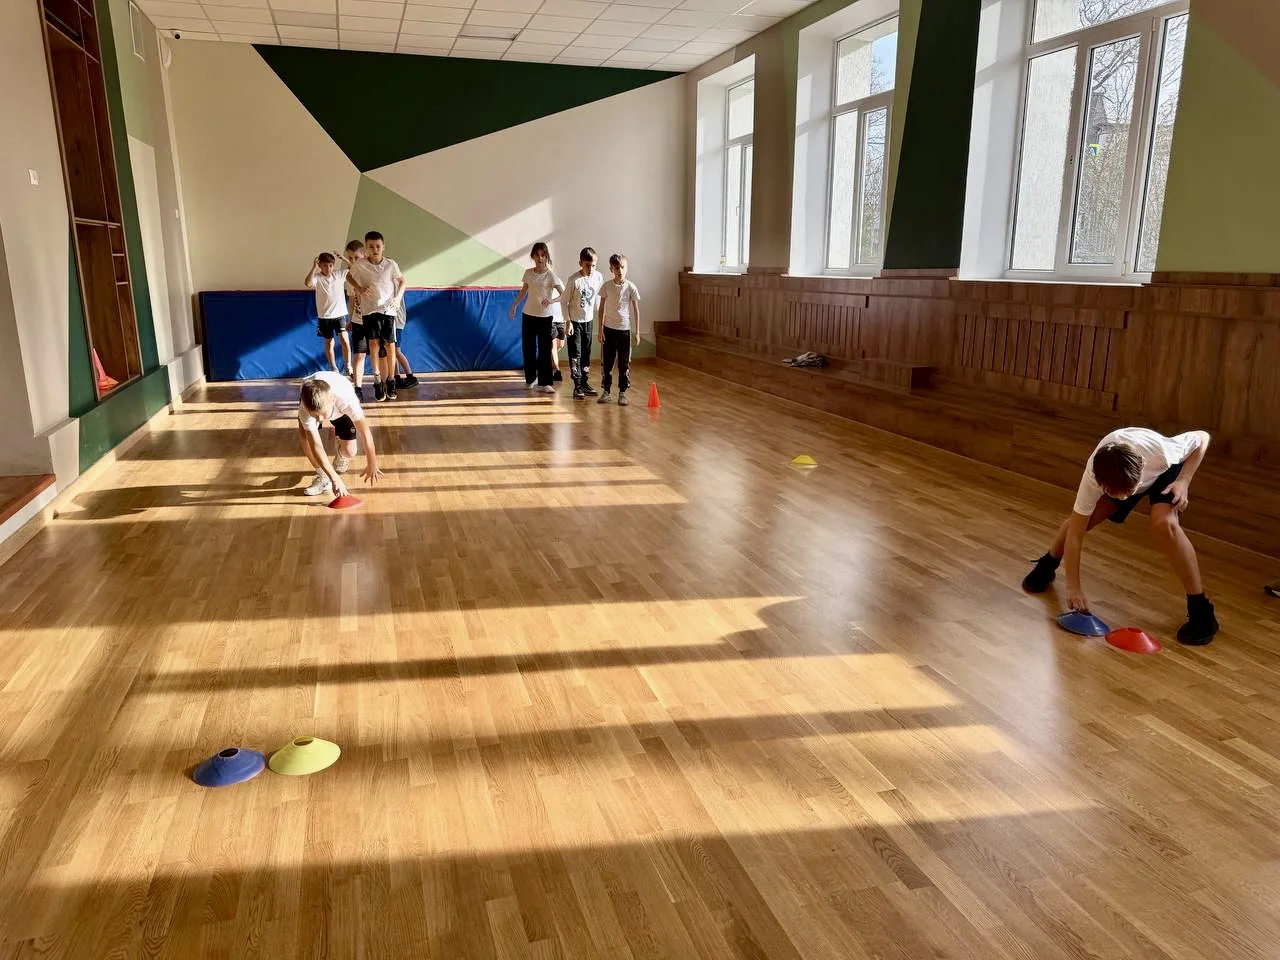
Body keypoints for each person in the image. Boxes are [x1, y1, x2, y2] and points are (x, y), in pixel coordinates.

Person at [1021, 427, 1219, 645]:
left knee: (1165, 525)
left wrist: (1184, 480)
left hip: (1162, 474)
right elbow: (1075, 535)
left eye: (1128, 493)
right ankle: (1047, 564)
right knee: (1081, 522)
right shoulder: (1093, 477)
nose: (1124, 499)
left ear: (1141, 469)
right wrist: (1073, 587)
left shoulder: (1162, 452)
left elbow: (1202, 437)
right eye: (1115, 494)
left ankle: (1202, 611)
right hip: (1121, 475)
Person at [296, 370, 383, 498]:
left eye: (322, 414)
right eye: (315, 415)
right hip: (316, 399)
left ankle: (341, 453)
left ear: (333, 400)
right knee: (305, 438)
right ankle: (322, 476)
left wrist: (372, 463)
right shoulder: (305, 407)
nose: (320, 419)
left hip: (340, 409)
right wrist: (334, 478)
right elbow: (316, 446)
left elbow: (364, 432)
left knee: (350, 452)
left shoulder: (347, 401)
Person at [348, 231, 405, 402]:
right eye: (371, 247)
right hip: (369, 310)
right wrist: (359, 288)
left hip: (388, 309)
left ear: (383, 247)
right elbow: (349, 277)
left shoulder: (390, 264)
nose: (375, 250)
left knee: (390, 345)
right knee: (373, 344)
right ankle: (377, 379)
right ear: (366, 248)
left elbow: (402, 281)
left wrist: (398, 297)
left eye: (378, 246)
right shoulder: (360, 265)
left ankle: (391, 380)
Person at [508, 241, 564, 393]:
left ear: (546, 257)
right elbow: (523, 291)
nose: (540, 258)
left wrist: (551, 300)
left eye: (543, 255)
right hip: (528, 315)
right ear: (533, 256)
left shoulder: (551, 275)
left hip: (545, 317)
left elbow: (563, 294)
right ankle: (530, 379)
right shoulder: (528, 273)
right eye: (537, 255)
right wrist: (514, 305)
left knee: (545, 350)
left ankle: (546, 383)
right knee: (528, 349)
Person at [551, 247, 603, 400]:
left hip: (589, 321)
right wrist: (568, 322)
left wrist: (601, 317)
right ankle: (577, 385)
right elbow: (564, 301)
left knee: (586, 352)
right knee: (576, 353)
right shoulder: (574, 280)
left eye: (593, 265)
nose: (591, 269)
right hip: (575, 322)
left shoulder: (598, 277)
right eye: (587, 265)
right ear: (580, 263)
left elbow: (598, 298)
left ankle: (585, 382)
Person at [596, 253, 641, 406]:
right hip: (609, 330)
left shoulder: (631, 287)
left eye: (622, 267)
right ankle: (606, 392)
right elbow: (601, 308)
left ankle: (622, 393)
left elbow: (636, 310)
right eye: (616, 268)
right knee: (607, 363)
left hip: (624, 331)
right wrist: (600, 329)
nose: (619, 271)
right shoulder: (606, 286)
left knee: (624, 363)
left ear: (626, 268)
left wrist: (637, 332)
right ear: (611, 269)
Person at [304, 252, 351, 375]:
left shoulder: (339, 275)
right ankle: (333, 367)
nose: (328, 268)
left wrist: (344, 259)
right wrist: (314, 267)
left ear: (333, 265)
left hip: (339, 315)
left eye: (330, 265)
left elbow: (354, 269)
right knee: (329, 341)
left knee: (344, 339)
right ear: (320, 265)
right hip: (325, 316)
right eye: (325, 265)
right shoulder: (317, 277)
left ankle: (348, 366)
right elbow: (308, 283)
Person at [342, 240, 369, 394]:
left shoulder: (371, 272)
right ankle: (357, 388)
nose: (353, 261)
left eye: (356, 258)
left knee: (381, 354)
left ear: (364, 255)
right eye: (350, 258)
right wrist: (350, 319)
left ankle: (385, 383)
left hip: (375, 319)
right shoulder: (350, 277)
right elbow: (352, 300)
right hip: (359, 320)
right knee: (359, 354)